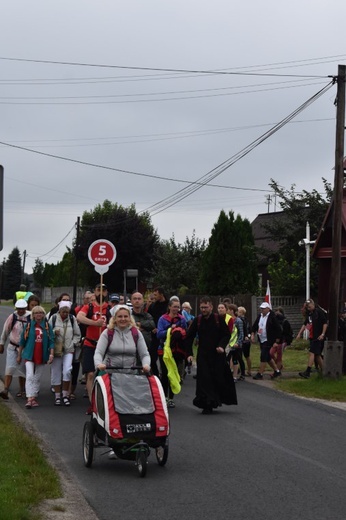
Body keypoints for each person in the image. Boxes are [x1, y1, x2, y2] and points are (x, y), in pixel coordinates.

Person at [184, 296, 237, 414]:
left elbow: (226, 335)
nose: (203, 310)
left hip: (217, 355)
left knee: (217, 378)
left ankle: (215, 400)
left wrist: (221, 346)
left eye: (206, 307)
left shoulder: (218, 319)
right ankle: (206, 403)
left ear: (211, 307)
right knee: (204, 379)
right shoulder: (197, 320)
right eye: (202, 307)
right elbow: (189, 337)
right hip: (203, 355)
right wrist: (189, 353)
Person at [76, 283, 111, 410]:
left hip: (105, 345)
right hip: (90, 343)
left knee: (104, 373)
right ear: (94, 292)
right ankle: (93, 403)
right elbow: (80, 317)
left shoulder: (109, 308)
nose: (100, 293)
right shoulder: (88, 307)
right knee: (90, 374)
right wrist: (95, 323)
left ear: (106, 293)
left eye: (103, 290)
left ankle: (105, 399)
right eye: (98, 290)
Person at [94, 305, 150, 373]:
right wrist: (98, 364)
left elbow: (144, 354)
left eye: (126, 316)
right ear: (114, 318)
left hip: (131, 375)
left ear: (130, 318)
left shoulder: (136, 333)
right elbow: (99, 352)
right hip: (110, 374)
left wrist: (146, 365)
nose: (123, 319)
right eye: (120, 316)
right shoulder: (107, 333)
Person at [18, 306, 55, 409]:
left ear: (43, 314)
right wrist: (19, 354)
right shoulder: (29, 325)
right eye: (36, 313)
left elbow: (52, 341)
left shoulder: (47, 326)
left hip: (41, 355)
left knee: (37, 377)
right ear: (33, 315)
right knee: (29, 375)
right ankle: (29, 398)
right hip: (29, 354)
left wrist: (51, 354)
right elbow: (22, 340)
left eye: (40, 313)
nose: (38, 315)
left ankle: (33, 396)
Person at [49, 301, 81, 406]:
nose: (65, 314)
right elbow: (47, 332)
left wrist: (73, 343)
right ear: (59, 310)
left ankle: (65, 394)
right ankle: (57, 396)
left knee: (67, 370)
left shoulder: (72, 319)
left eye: (67, 312)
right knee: (56, 372)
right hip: (56, 349)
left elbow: (77, 334)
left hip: (68, 349)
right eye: (63, 311)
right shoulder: (53, 318)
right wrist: (54, 332)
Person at [157, 299, 187, 408]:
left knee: (173, 374)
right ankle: (164, 396)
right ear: (169, 307)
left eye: (177, 307)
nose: (176, 309)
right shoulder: (162, 319)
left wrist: (179, 332)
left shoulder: (182, 319)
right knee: (165, 374)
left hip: (176, 350)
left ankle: (171, 398)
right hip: (163, 350)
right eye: (174, 306)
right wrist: (170, 330)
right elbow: (159, 334)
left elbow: (185, 333)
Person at [0, 299, 31, 399]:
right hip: (13, 346)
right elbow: (5, 330)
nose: (20, 311)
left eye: (22, 309)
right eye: (19, 309)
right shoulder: (12, 317)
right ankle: (6, 389)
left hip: (25, 348)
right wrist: (1, 344)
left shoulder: (30, 317)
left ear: (26, 308)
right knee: (10, 368)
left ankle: (22, 389)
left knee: (23, 369)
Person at [297, 299, 328, 378]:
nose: (309, 308)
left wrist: (323, 334)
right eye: (308, 307)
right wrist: (300, 333)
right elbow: (305, 324)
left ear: (313, 304)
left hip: (318, 336)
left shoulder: (319, 312)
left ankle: (307, 371)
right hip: (313, 336)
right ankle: (325, 371)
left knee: (312, 353)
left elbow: (325, 323)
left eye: (310, 306)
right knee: (317, 355)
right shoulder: (310, 315)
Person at [251, 302, 282, 380]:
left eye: (264, 308)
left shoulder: (272, 317)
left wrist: (276, 341)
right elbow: (254, 326)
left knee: (263, 356)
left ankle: (260, 373)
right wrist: (252, 334)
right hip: (261, 339)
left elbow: (278, 329)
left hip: (269, 340)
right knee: (267, 357)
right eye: (261, 308)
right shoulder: (259, 316)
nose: (262, 310)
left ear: (268, 309)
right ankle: (277, 371)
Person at [147, 287, 169, 376]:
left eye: (156, 295)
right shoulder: (153, 306)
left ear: (161, 294)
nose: (154, 297)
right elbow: (149, 318)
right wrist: (152, 327)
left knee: (164, 360)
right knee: (152, 358)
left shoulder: (168, 305)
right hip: (154, 336)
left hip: (165, 336)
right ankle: (156, 375)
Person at [269, 307, 293, 372]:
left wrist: (286, 340)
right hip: (276, 341)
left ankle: (277, 370)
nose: (276, 313)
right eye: (275, 311)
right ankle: (279, 365)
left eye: (278, 311)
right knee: (271, 353)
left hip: (283, 340)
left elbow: (288, 332)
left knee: (279, 355)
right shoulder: (274, 321)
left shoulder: (285, 321)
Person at [237, 306, 252, 376]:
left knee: (243, 356)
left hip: (243, 340)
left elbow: (246, 330)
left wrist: (246, 336)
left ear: (242, 313)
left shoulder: (240, 320)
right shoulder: (246, 320)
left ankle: (247, 370)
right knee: (246, 356)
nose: (237, 313)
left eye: (239, 311)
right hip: (246, 340)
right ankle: (248, 370)